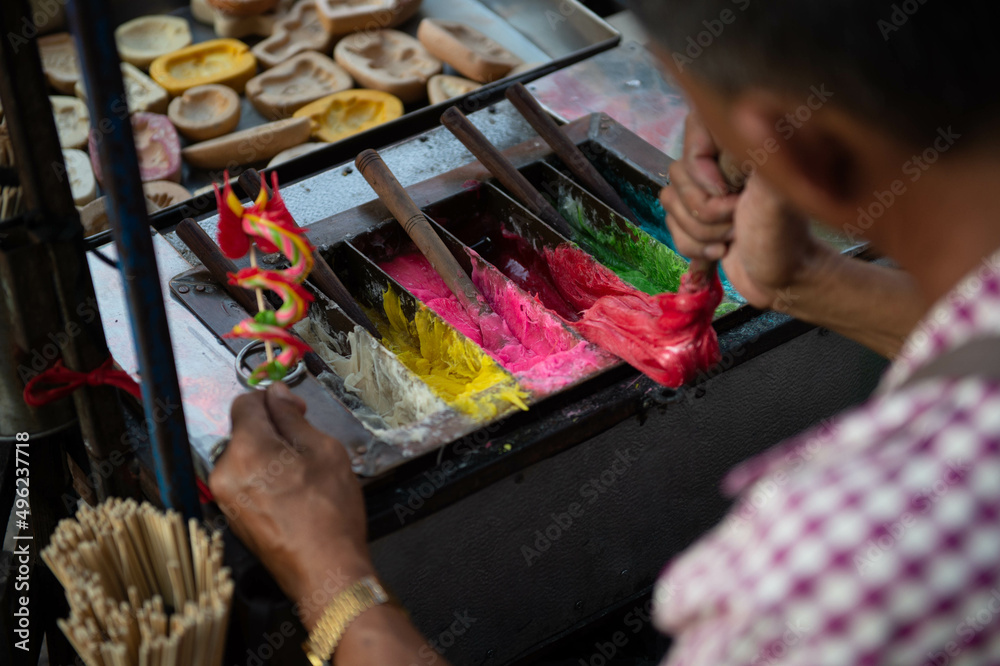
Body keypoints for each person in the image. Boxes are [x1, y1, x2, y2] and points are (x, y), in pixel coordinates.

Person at [210, 0, 1000, 663]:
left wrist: (332, 581)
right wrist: (808, 282)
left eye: (699, 109)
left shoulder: (821, 581)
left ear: (802, 155)